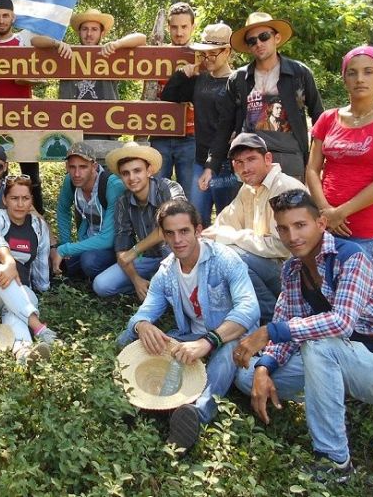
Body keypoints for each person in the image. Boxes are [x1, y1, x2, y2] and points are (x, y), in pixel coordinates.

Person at [234, 190, 373, 483]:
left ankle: (335, 461)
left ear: (321, 224)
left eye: (300, 225)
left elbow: (341, 323)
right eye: (284, 228)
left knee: (318, 345)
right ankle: (331, 391)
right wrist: (264, 366)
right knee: (247, 377)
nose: (293, 236)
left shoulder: (352, 258)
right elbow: (284, 323)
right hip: (335, 355)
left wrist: (269, 332)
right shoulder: (292, 269)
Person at [118, 199, 258, 451]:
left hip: (230, 334)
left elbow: (249, 309)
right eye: (170, 233)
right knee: (140, 340)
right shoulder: (166, 272)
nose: (178, 239)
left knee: (227, 355)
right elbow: (144, 313)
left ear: (198, 230)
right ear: (163, 236)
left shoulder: (225, 259)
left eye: (184, 231)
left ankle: (196, 413)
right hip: (190, 335)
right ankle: (145, 401)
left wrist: (208, 342)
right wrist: (142, 325)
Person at [0, 0, 71, 213]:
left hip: (24, 121)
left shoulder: (24, 38)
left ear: (13, 17)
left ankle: (38, 228)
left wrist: (58, 43)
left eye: (5, 15)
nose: (1, 20)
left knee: (32, 178)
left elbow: (40, 40)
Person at [304, 46, 373, 265]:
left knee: (355, 298)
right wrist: (325, 212)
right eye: (352, 72)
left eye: (368, 71)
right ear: (344, 78)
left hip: (364, 232)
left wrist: (340, 212)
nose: (360, 79)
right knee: (321, 292)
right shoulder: (327, 118)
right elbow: (312, 170)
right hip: (323, 225)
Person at [202, 133, 307, 324]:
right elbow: (224, 223)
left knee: (235, 256)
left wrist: (233, 237)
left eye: (251, 159)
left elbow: (284, 247)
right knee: (215, 252)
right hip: (269, 267)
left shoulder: (285, 188)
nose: (246, 168)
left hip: (295, 273)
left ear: (268, 159)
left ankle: (272, 319)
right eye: (239, 162)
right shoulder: (248, 188)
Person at [211, 12, 324, 182]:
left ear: (276, 38)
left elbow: (319, 117)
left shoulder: (299, 73)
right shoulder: (239, 78)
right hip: (251, 159)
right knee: (252, 208)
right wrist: (211, 164)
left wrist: (316, 161)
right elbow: (225, 124)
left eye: (264, 36)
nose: (258, 43)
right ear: (248, 46)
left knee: (290, 208)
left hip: (290, 157)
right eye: (252, 40)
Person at [0, 174, 58, 362]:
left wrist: (44, 289)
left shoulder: (38, 227)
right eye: (14, 198)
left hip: (15, 295)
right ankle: (39, 328)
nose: (20, 204)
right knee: (2, 272)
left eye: (25, 198)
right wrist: (10, 262)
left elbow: (40, 266)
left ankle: (23, 351)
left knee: (24, 297)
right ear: (5, 200)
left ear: (31, 200)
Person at [161, 23, 241, 225]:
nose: (207, 60)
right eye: (204, 55)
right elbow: (169, 95)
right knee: (197, 219)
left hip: (227, 164)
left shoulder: (237, 82)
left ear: (227, 52)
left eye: (213, 54)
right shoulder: (201, 79)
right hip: (200, 159)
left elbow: (232, 124)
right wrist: (182, 74)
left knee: (227, 219)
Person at [93, 142, 186, 300]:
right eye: (125, 173)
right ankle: (151, 286)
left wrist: (134, 251)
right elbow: (122, 247)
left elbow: (169, 228)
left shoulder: (169, 188)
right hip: (149, 258)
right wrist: (136, 280)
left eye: (137, 171)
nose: (132, 178)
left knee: (169, 249)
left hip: (177, 253)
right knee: (101, 285)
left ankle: (168, 288)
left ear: (149, 170)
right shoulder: (123, 201)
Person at [53, 142, 125, 281]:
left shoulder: (112, 185)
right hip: (88, 239)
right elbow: (63, 210)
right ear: (67, 167)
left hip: (114, 245)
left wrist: (65, 249)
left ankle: (112, 270)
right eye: (72, 167)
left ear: (94, 166)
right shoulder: (70, 181)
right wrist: (65, 242)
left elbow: (108, 239)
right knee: (57, 260)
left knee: (89, 262)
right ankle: (79, 269)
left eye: (83, 167)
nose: (77, 173)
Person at [150, 2, 197, 195]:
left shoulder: (202, 56)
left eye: (184, 27)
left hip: (191, 136)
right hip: (160, 134)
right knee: (157, 195)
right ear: (168, 27)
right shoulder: (154, 55)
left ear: (193, 27)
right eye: (175, 27)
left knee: (190, 195)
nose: (179, 32)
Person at [58, 8, 146, 111]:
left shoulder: (110, 53)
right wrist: (57, 44)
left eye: (94, 29)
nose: (89, 34)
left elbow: (142, 38)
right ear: (79, 32)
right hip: (71, 119)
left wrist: (117, 44)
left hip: (106, 121)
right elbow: (36, 40)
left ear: (102, 33)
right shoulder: (66, 53)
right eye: (85, 29)